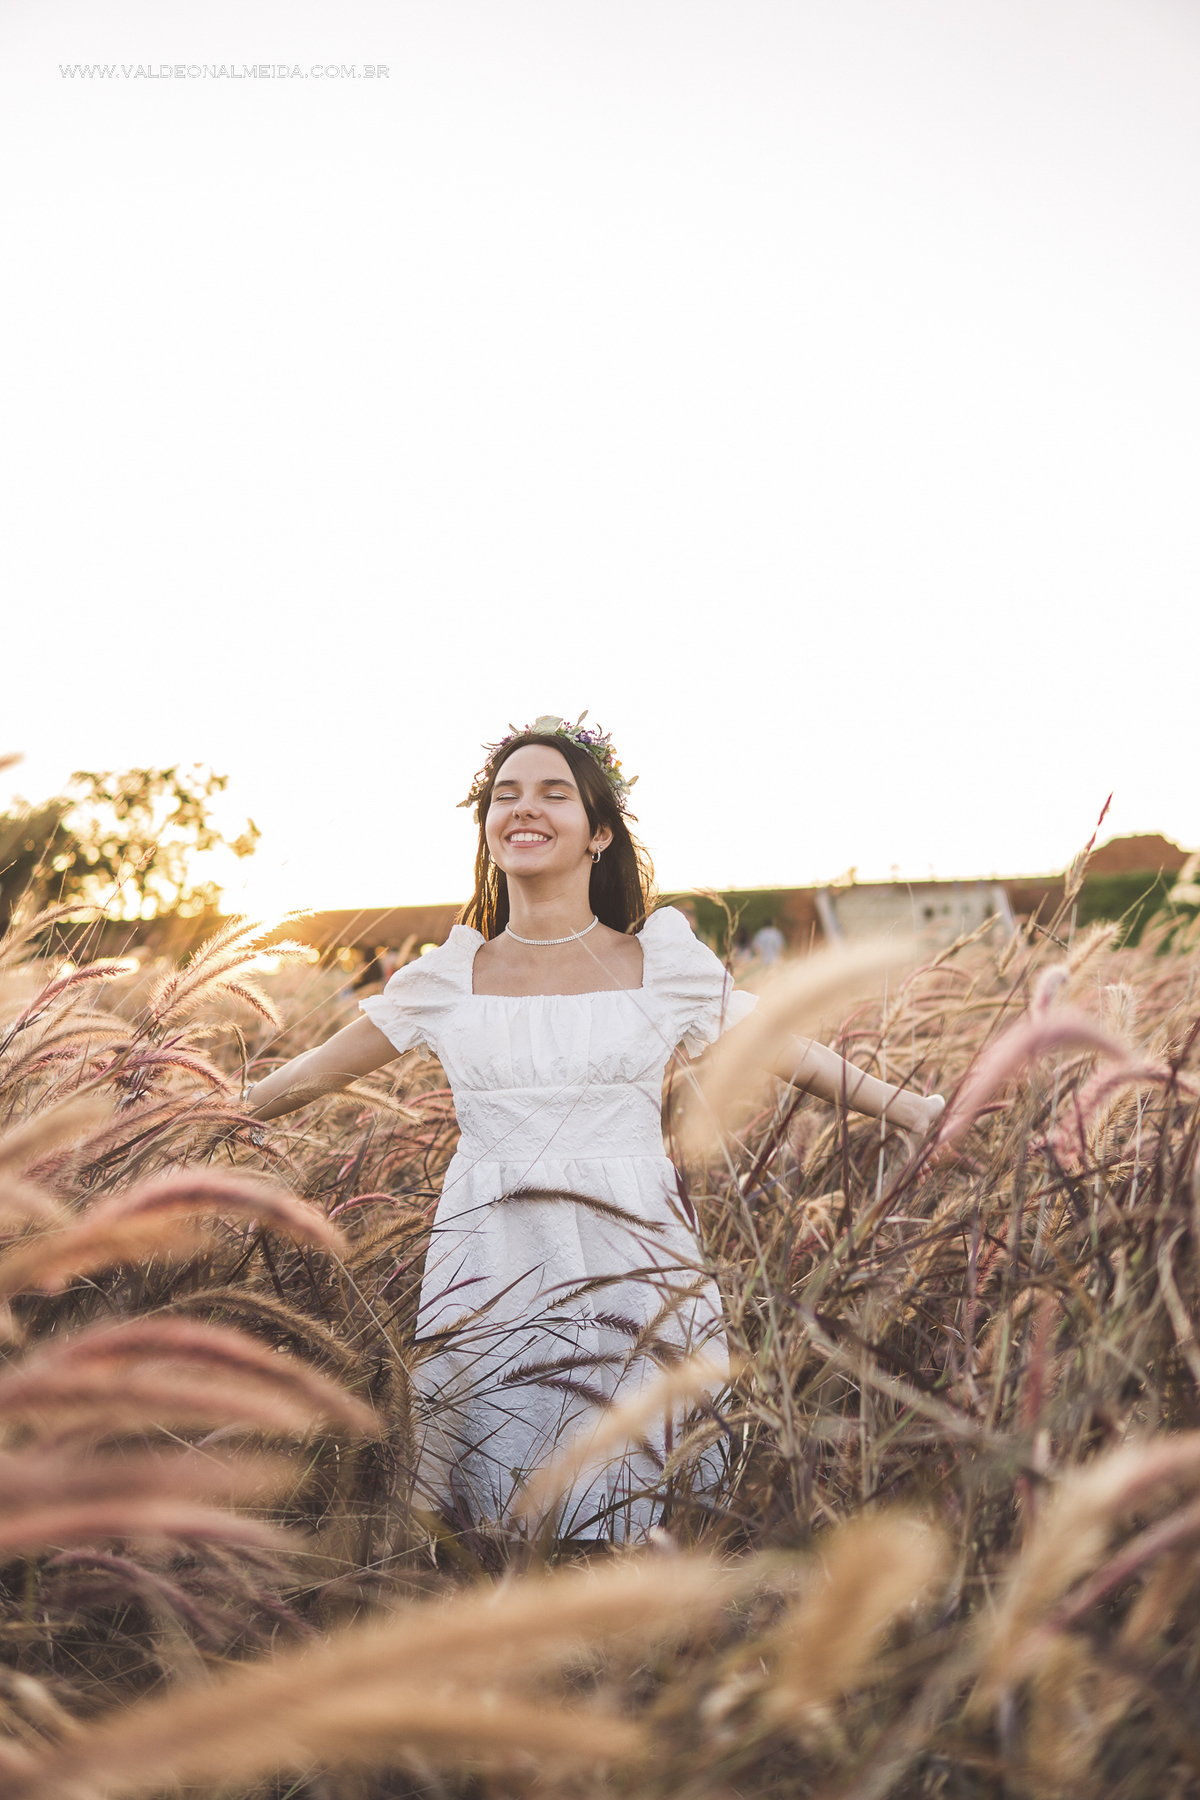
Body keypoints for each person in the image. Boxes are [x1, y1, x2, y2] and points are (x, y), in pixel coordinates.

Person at [245, 714, 945, 1541]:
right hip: (493, 1259)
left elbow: (779, 1044)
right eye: (504, 796)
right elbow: (313, 1071)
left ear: (598, 832)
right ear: (487, 828)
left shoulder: (661, 963)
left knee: (642, 1487)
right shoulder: (445, 977)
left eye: (552, 793)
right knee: (499, 1500)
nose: (523, 809)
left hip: (634, 1252)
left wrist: (914, 1110)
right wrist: (188, 1112)